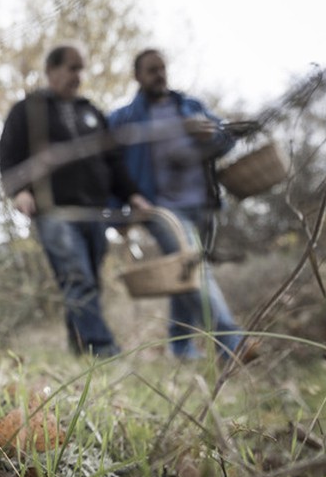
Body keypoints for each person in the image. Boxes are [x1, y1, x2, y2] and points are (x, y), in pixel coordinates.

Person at [0, 45, 151, 358]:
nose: (78, 76)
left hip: (95, 212)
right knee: (77, 277)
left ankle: (79, 348)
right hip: (55, 211)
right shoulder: (29, 110)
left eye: (82, 69)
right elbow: (9, 155)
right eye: (72, 68)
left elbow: (113, 162)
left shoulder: (91, 112)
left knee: (88, 282)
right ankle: (104, 349)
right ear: (52, 71)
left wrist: (132, 194)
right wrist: (20, 191)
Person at [107, 48, 254, 363]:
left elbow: (226, 138)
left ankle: (181, 349)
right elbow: (108, 165)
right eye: (151, 70)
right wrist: (119, 211)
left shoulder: (190, 106)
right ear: (137, 76)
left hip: (201, 204)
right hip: (160, 209)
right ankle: (232, 343)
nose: (159, 74)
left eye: (162, 68)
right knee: (193, 269)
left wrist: (210, 132)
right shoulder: (125, 119)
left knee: (183, 274)